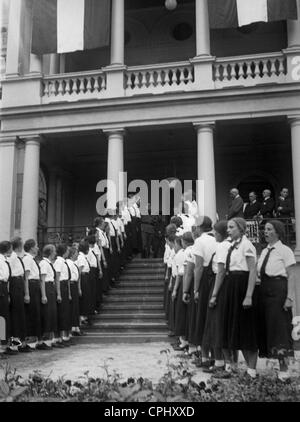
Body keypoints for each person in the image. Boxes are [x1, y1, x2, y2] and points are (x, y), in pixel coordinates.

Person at [257, 220, 296, 381]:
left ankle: (284, 371)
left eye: (269, 229)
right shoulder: (265, 251)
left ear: (278, 232)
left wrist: (290, 297)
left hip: (279, 289)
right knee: (268, 327)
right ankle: (272, 365)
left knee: (280, 328)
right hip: (264, 290)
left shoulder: (285, 250)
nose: (265, 232)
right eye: (265, 229)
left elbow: (292, 275)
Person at [222, 218, 258, 379]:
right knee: (234, 327)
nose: (228, 230)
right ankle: (233, 366)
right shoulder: (232, 245)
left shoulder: (247, 245)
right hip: (231, 287)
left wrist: (249, 295)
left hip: (242, 286)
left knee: (246, 328)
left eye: (231, 227)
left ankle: (252, 371)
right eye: (228, 227)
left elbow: (252, 270)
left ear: (241, 229)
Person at [202, 221, 231, 377]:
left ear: (219, 233)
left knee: (217, 323)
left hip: (219, 284)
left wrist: (214, 294)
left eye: (215, 233)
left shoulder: (222, 246)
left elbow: (221, 271)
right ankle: (220, 361)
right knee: (218, 323)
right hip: (224, 283)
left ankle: (224, 363)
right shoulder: (228, 245)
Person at [192, 216, 217, 368]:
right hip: (214, 278)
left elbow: (198, 267)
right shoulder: (216, 239)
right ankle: (216, 356)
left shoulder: (199, 241)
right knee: (213, 317)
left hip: (205, 281)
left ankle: (205, 357)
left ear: (201, 227)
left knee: (202, 317)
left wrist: (195, 288)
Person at [172, 231, 194, 352]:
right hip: (191, 283)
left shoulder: (185, 253)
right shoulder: (189, 251)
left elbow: (183, 273)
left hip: (185, 284)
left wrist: (180, 290)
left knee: (183, 314)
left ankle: (186, 343)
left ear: (183, 242)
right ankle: (188, 343)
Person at [8, 237, 28, 352]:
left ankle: (18, 343)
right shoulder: (13, 257)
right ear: (19, 246)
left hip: (19, 283)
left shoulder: (17, 257)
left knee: (19, 315)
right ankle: (13, 345)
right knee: (15, 315)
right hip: (15, 283)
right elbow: (10, 271)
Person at [23, 239, 43, 350]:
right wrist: (27, 294)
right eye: (36, 246)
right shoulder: (27, 259)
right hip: (30, 285)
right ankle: (28, 341)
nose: (38, 248)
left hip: (35, 285)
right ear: (31, 248)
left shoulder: (32, 259)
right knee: (30, 313)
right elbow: (25, 277)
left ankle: (33, 340)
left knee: (35, 313)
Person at [39, 244, 58, 349]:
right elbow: (42, 279)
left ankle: (49, 340)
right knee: (47, 314)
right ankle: (44, 341)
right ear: (50, 252)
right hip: (46, 287)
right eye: (54, 251)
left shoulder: (49, 263)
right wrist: (43, 295)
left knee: (51, 314)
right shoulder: (43, 263)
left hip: (50, 287)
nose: (55, 253)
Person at [54, 243, 72, 346]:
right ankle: (58, 338)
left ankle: (62, 337)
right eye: (67, 250)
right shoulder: (58, 262)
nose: (68, 252)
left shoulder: (63, 262)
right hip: (61, 285)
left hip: (65, 285)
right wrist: (59, 294)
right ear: (64, 251)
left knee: (64, 313)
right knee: (61, 313)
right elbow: (57, 278)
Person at [0, 241, 14, 356]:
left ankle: (4, 346)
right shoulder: (0, 260)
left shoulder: (5, 260)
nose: (12, 250)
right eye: (11, 248)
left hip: (4, 288)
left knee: (4, 317)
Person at [66, 246, 83, 337]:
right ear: (72, 254)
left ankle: (76, 327)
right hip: (71, 285)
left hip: (75, 285)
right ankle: (73, 327)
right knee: (73, 307)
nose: (78, 254)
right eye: (76, 253)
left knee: (76, 307)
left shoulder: (73, 263)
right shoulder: (69, 263)